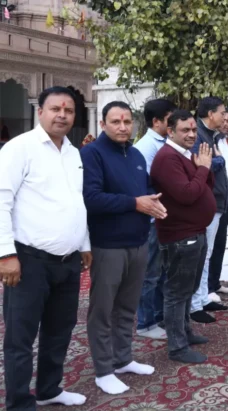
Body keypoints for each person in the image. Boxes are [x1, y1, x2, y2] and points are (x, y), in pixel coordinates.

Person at [0, 87, 90, 410]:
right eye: (55, 109)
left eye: (68, 110)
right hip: (27, 261)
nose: (62, 115)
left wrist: (84, 243)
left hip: (66, 263)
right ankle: (20, 402)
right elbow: (1, 201)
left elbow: (75, 201)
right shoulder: (19, 149)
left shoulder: (74, 153)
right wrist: (5, 254)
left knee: (60, 330)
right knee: (21, 338)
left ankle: (50, 388)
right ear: (40, 112)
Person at [81, 101, 165, 394]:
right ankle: (103, 370)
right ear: (103, 124)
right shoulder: (92, 154)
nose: (122, 127)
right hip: (108, 245)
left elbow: (143, 193)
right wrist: (135, 203)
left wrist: (153, 204)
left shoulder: (136, 154)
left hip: (138, 241)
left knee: (127, 307)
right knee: (103, 310)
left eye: (127, 121)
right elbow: (90, 198)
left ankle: (123, 358)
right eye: (115, 121)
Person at [150, 110, 216, 364]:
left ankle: (185, 332)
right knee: (177, 292)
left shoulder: (185, 155)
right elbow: (188, 194)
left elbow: (203, 187)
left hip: (194, 232)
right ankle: (177, 347)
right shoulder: (168, 158)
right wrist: (203, 169)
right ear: (170, 132)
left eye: (193, 130)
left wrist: (202, 169)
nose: (191, 135)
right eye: (184, 130)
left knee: (188, 289)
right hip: (179, 236)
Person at [134, 98, 177, 340]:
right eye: (170, 120)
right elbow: (154, 182)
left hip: (164, 218)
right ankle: (145, 323)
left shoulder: (164, 143)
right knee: (150, 273)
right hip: (152, 219)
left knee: (162, 271)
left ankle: (159, 316)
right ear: (156, 121)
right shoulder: (146, 147)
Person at [189, 97, 228, 324]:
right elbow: (199, 164)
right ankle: (195, 304)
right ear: (210, 114)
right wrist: (220, 161)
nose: (224, 117)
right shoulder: (198, 134)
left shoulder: (212, 136)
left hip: (216, 202)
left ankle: (203, 297)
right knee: (201, 255)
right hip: (206, 203)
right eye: (222, 113)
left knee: (209, 253)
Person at [207, 107, 228, 301]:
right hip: (212, 200)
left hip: (225, 199)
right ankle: (206, 289)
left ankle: (215, 282)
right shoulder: (210, 140)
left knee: (220, 244)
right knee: (209, 246)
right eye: (225, 120)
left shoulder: (224, 142)